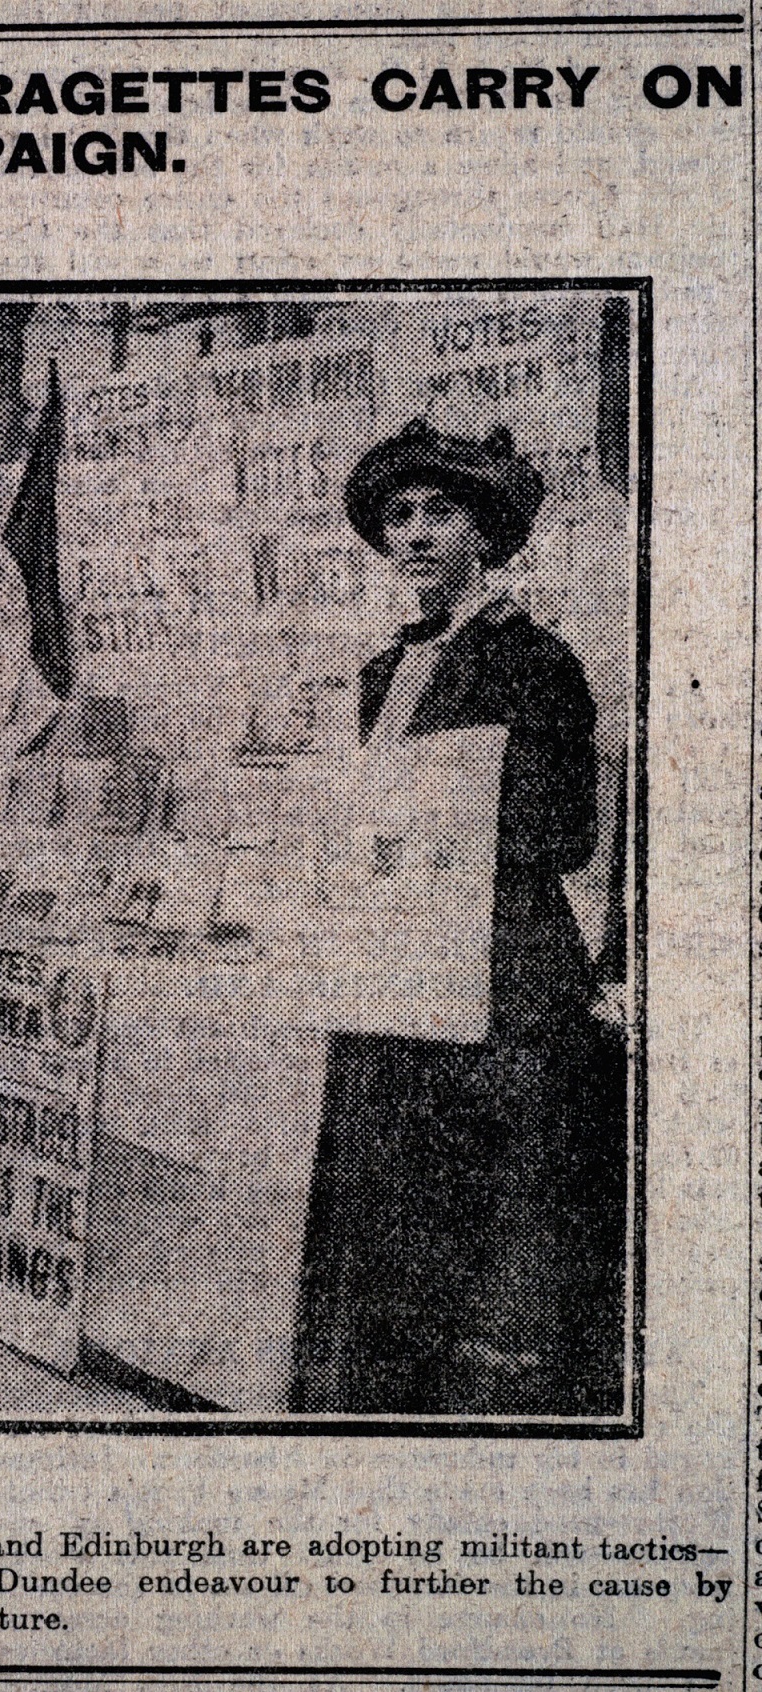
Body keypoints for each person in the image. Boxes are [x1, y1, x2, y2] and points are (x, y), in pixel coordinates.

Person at [290, 417, 618, 1416]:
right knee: (394, 1206)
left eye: (440, 512)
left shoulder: (535, 661)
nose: (417, 533)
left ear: (484, 532)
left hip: (502, 971)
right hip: (396, 962)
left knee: (490, 1211)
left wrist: (443, 815)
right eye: (398, 516)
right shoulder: (381, 674)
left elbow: (564, 832)